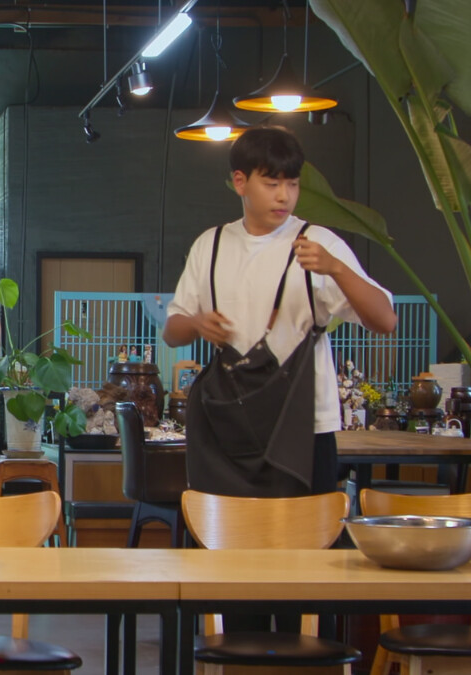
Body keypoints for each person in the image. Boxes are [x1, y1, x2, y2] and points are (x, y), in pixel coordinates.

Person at [163, 126, 396, 632]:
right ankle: (239, 654)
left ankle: (305, 656)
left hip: (304, 429)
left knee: (305, 567)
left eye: (291, 183)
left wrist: (335, 268)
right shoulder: (212, 245)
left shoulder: (319, 243)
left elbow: (385, 320)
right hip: (229, 430)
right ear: (240, 182)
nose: (284, 196)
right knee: (237, 566)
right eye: (272, 183)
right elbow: (173, 330)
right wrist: (198, 323)